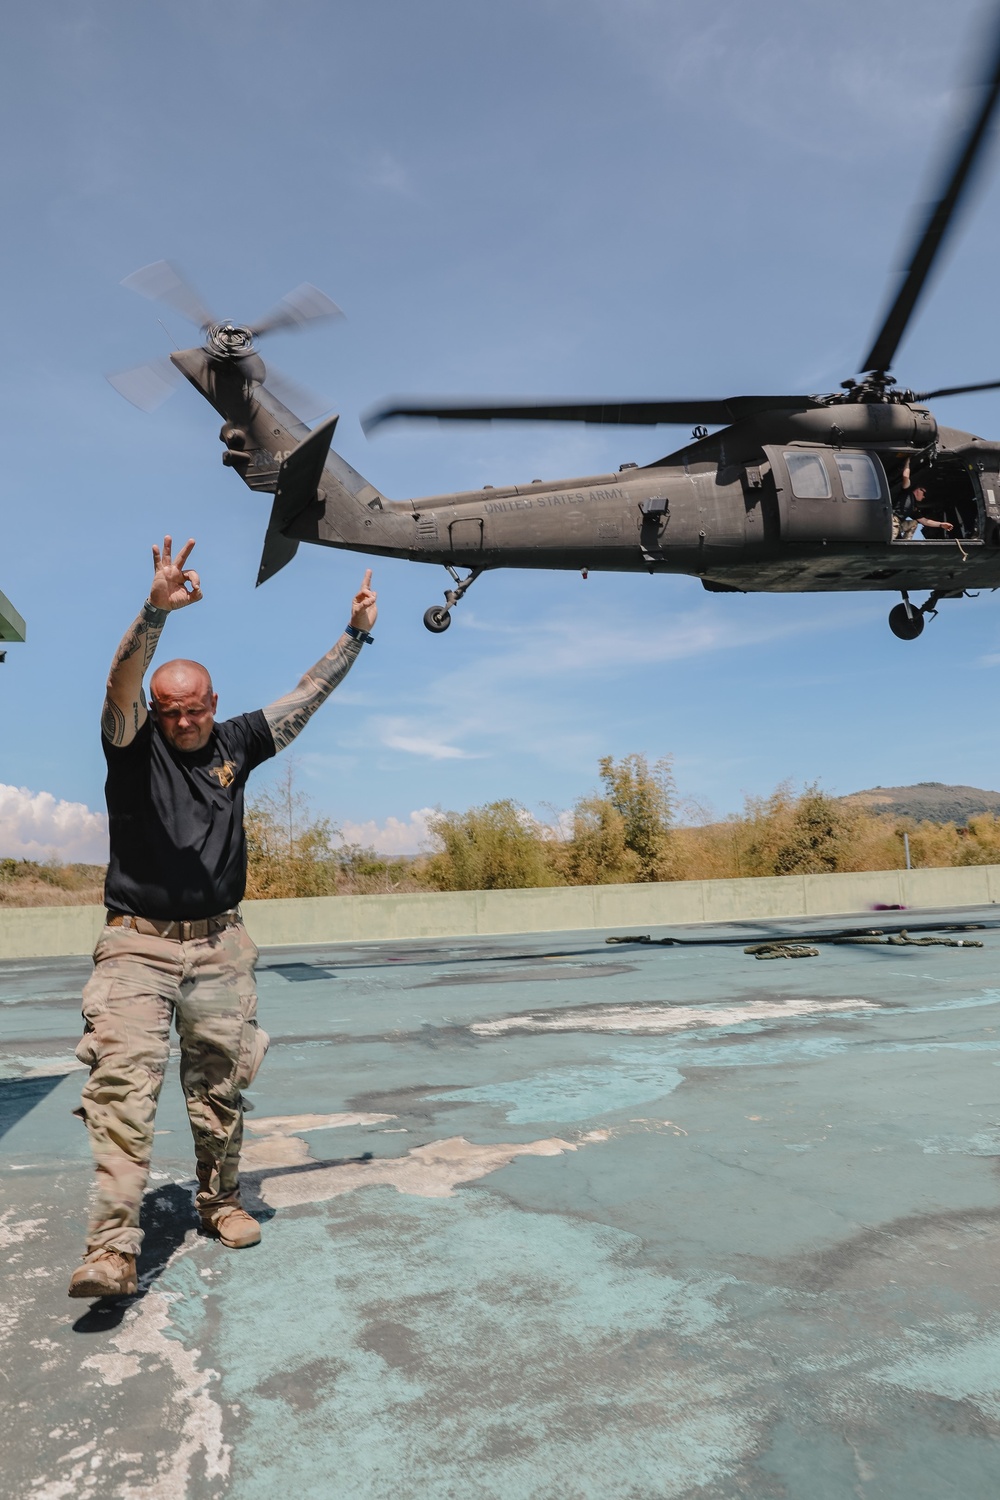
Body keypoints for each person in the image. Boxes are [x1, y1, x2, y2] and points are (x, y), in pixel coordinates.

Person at [68, 537, 377, 1299]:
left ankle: (220, 1201)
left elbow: (305, 699)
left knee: (220, 1090)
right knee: (121, 1091)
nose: (179, 722)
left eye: (191, 710)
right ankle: (111, 1249)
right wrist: (153, 611)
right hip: (135, 947)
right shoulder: (130, 743)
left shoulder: (237, 740)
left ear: (212, 702)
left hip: (219, 945)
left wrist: (356, 634)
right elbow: (120, 682)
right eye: (168, 710)